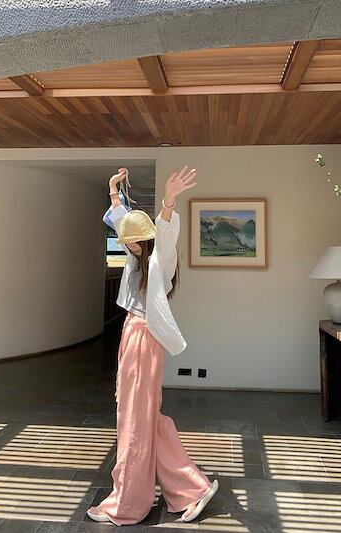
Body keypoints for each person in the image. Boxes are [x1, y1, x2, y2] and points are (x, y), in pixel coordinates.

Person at [87, 165, 219, 526]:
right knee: (143, 417)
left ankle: (128, 503)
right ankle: (191, 488)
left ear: (144, 239)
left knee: (134, 419)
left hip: (144, 336)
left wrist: (169, 201)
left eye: (132, 239)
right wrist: (113, 191)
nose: (126, 242)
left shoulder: (160, 259)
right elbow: (123, 221)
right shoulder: (137, 256)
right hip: (136, 334)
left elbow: (165, 232)